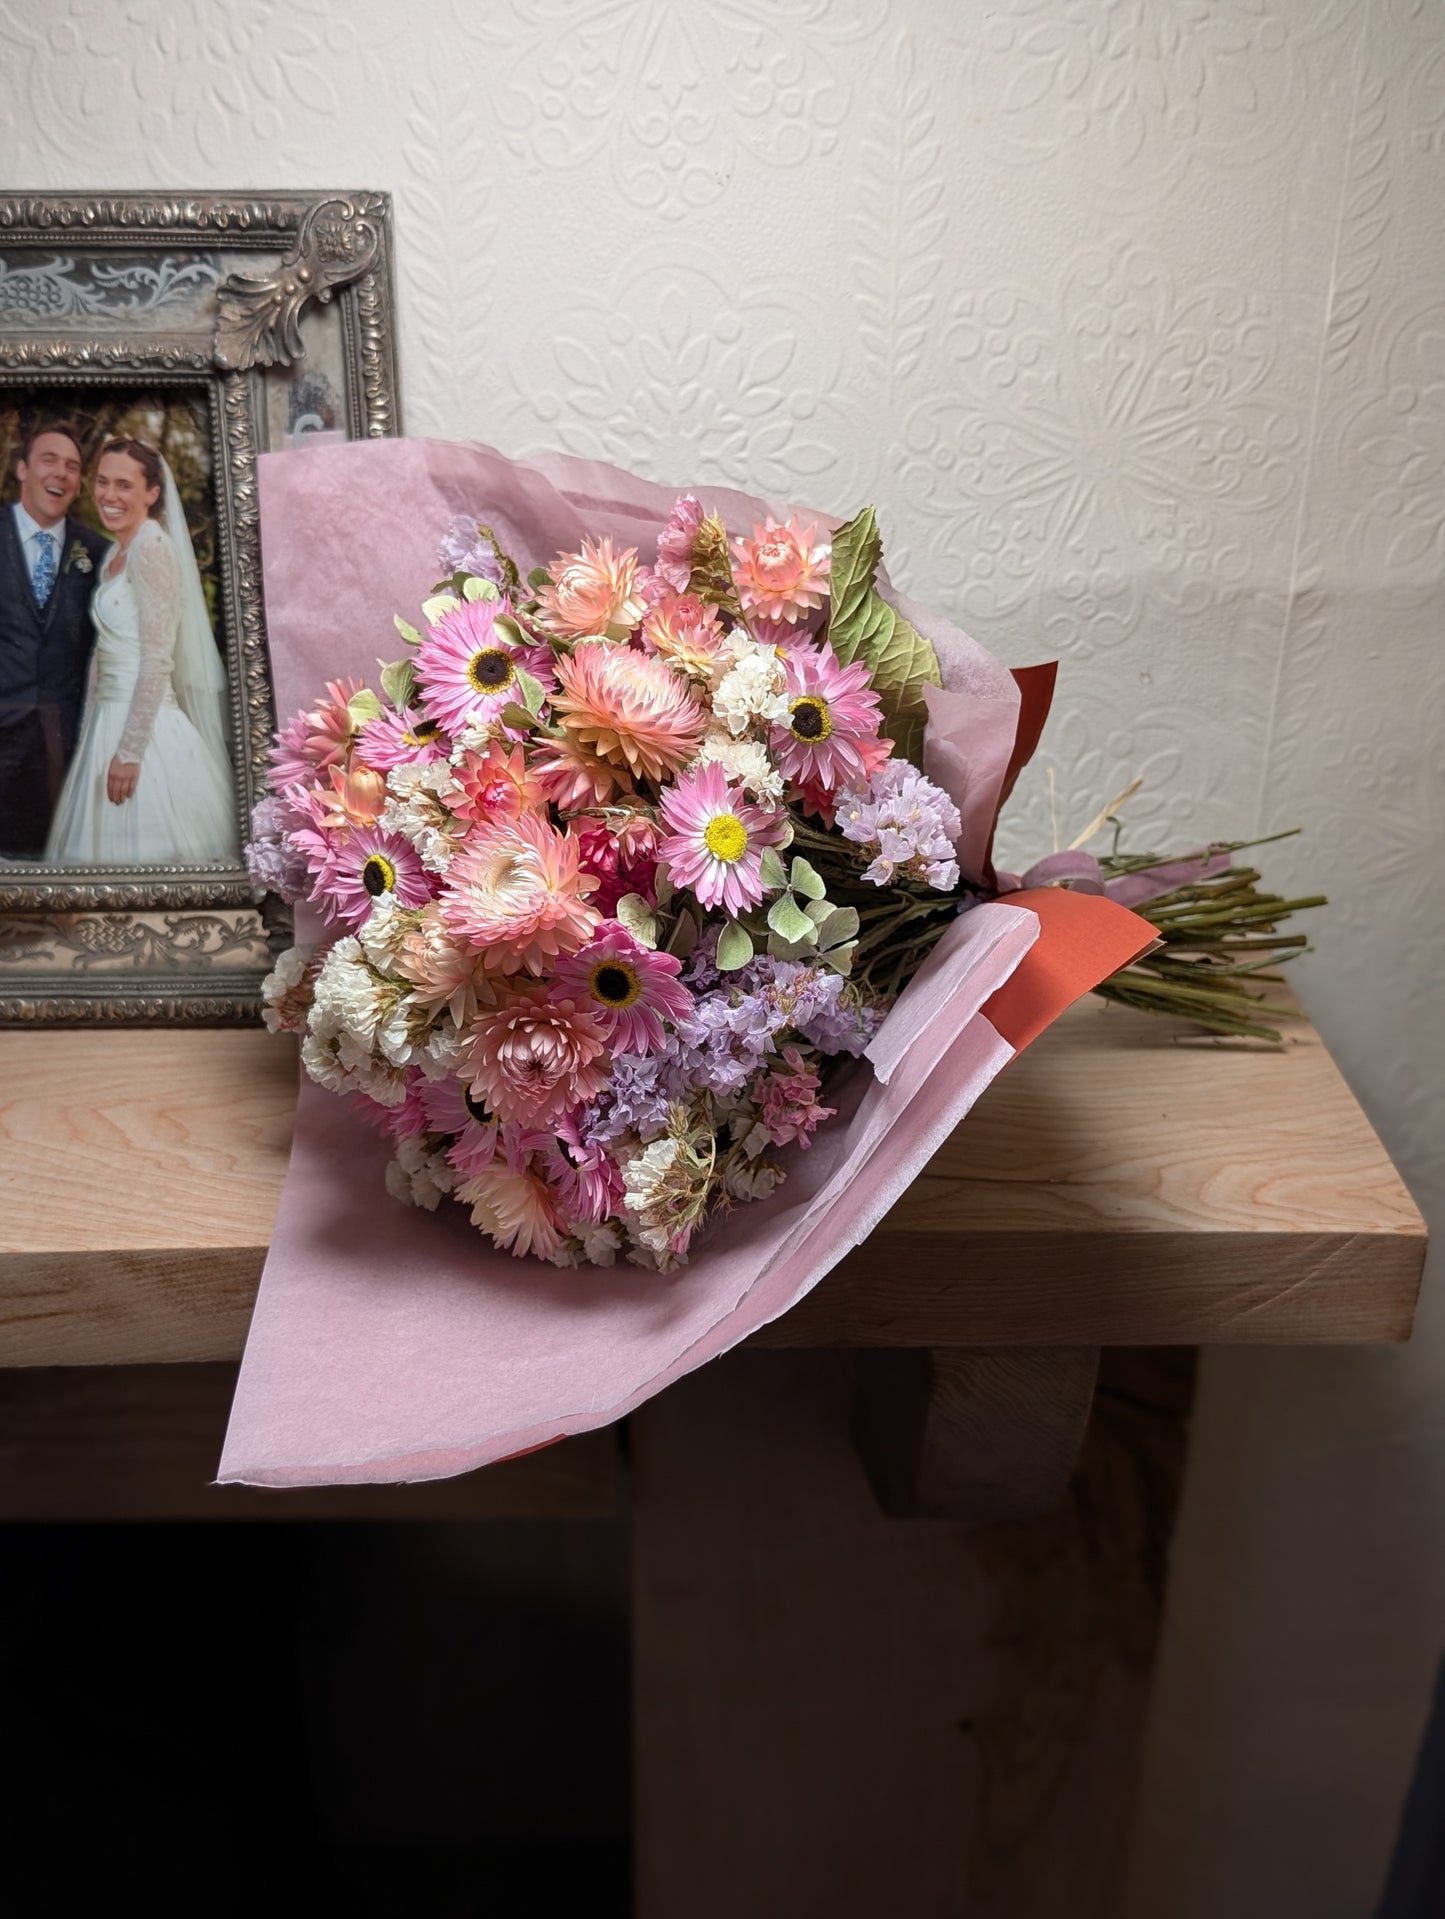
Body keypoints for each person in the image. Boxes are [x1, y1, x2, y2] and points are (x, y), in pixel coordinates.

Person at [45, 437, 239, 864]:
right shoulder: (117, 551)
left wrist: (131, 752)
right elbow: (103, 654)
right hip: (107, 719)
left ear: (152, 493)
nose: (109, 496)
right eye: (102, 482)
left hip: (143, 726)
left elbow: (156, 659)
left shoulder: (152, 550)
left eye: (124, 485)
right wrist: (89, 729)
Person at [0, 423, 109, 857]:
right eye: (50, 460)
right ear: (23, 469)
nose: (61, 474)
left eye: (72, 467)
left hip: (64, 749)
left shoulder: (99, 553)